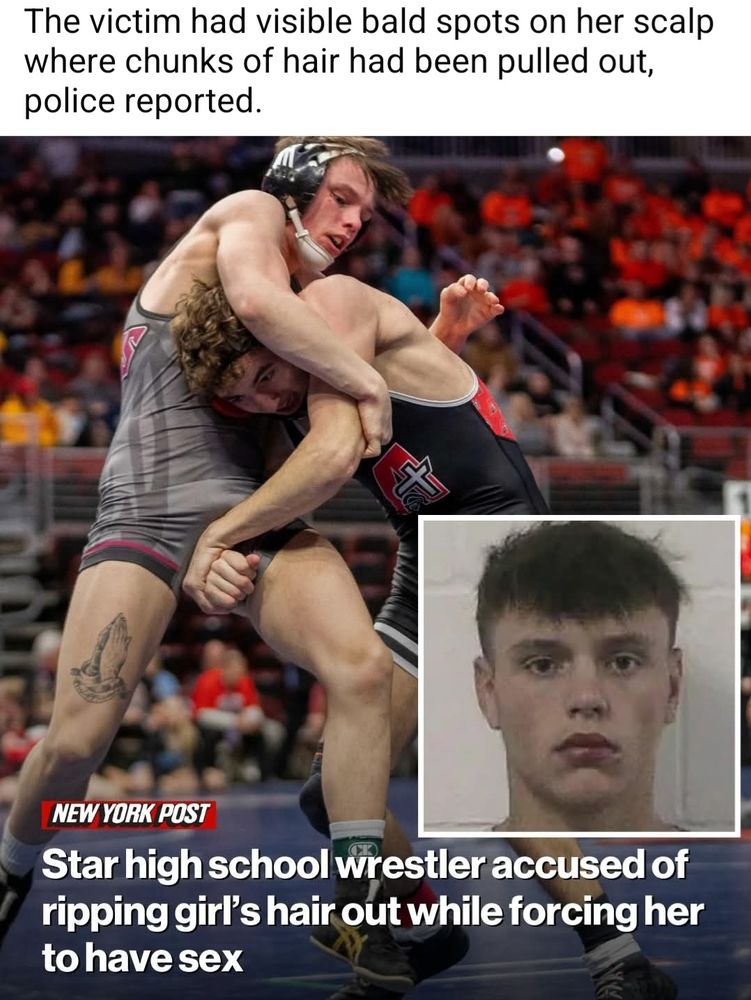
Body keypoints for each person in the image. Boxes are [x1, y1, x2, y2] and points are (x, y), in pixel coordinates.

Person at [0, 137, 449, 991]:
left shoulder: (314, 300)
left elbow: (320, 432)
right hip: (147, 518)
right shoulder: (245, 220)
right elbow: (250, 297)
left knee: (357, 672)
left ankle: (361, 908)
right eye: (342, 197)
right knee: (76, 746)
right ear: (294, 185)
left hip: (252, 519)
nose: (354, 222)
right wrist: (364, 380)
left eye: (365, 212)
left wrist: (430, 342)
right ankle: (12, 868)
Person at [175, 276, 677, 1000]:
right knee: (334, 793)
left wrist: (216, 538)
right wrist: (442, 343)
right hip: (429, 559)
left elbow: (337, 451)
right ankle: (432, 932)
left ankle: (615, 959)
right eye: (244, 399)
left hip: (498, 544)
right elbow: (408, 409)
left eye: (264, 376)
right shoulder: (318, 370)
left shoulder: (331, 305)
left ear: (275, 331)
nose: (265, 401)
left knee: (470, 771)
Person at [474, 520, 685, 832]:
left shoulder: (738, 878)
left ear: (673, 687)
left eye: (623, 662)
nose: (587, 698)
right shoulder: (424, 880)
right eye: (543, 665)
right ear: (488, 692)